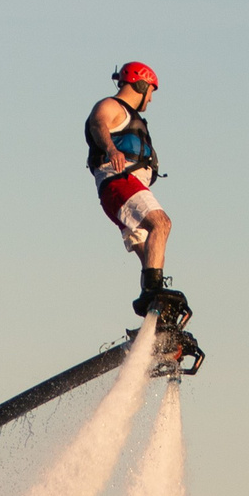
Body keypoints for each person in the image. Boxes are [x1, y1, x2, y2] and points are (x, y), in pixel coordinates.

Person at [85, 60, 186, 319]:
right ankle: (152, 294)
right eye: (151, 91)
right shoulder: (110, 106)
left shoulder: (133, 116)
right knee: (161, 223)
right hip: (118, 179)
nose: (150, 99)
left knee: (151, 252)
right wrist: (111, 148)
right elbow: (98, 124)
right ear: (141, 84)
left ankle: (156, 315)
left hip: (124, 187)